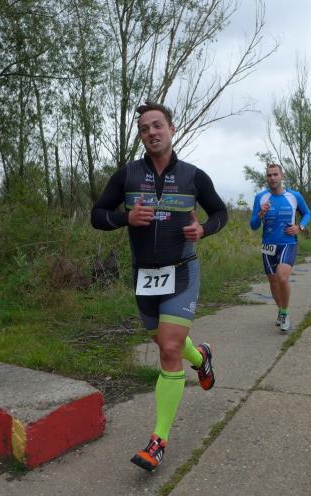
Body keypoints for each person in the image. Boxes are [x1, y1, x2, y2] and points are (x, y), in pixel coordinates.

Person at [91, 101, 228, 471]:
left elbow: (221, 213)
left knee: (168, 349)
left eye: (157, 125)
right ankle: (201, 358)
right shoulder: (127, 176)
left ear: (171, 129)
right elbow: (97, 216)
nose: (151, 132)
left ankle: (158, 441)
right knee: (165, 342)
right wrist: (126, 218)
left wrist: (203, 229)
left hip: (182, 271)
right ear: (141, 136)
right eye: (144, 129)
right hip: (144, 276)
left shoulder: (194, 177)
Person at [249, 163, 311, 332]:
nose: (272, 178)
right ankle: (281, 310)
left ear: (282, 176)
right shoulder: (261, 197)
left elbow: (307, 213)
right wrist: (260, 214)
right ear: (266, 178)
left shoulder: (294, 196)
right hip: (268, 245)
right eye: (269, 175)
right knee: (273, 281)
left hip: (288, 243)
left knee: (282, 277)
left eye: (275, 174)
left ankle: (284, 313)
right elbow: (253, 225)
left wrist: (300, 227)